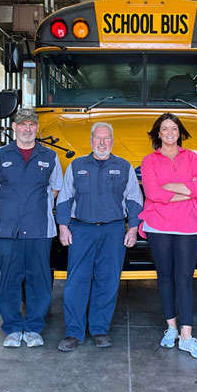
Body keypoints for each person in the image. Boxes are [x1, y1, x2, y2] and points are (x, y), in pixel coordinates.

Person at [56, 122, 143, 352]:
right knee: (77, 281)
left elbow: (135, 200)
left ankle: (99, 329)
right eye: (98, 138)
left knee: (108, 279)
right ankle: (73, 332)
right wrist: (63, 227)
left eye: (106, 139)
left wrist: (132, 228)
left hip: (113, 231)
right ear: (91, 140)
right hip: (81, 230)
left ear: (112, 142)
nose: (102, 142)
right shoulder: (76, 166)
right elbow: (64, 198)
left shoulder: (124, 167)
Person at [0, 108, 63, 348]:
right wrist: (11, 206)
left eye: (31, 125)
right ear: (14, 127)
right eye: (22, 124)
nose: (27, 128)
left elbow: (56, 188)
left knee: (40, 280)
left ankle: (35, 328)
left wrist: (33, 206)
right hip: (8, 230)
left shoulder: (50, 156)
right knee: (10, 280)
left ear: (37, 128)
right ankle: (13, 328)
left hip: (40, 229)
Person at [139, 113, 197, 359]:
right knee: (165, 276)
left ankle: (187, 337)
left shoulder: (192, 158)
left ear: (180, 132)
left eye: (174, 128)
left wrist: (169, 188)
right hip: (158, 224)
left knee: (184, 278)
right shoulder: (149, 161)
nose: (169, 132)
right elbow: (152, 192)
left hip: (188, 224)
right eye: (165, 129)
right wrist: (185, 190)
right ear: (158, 133)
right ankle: (171, 328)